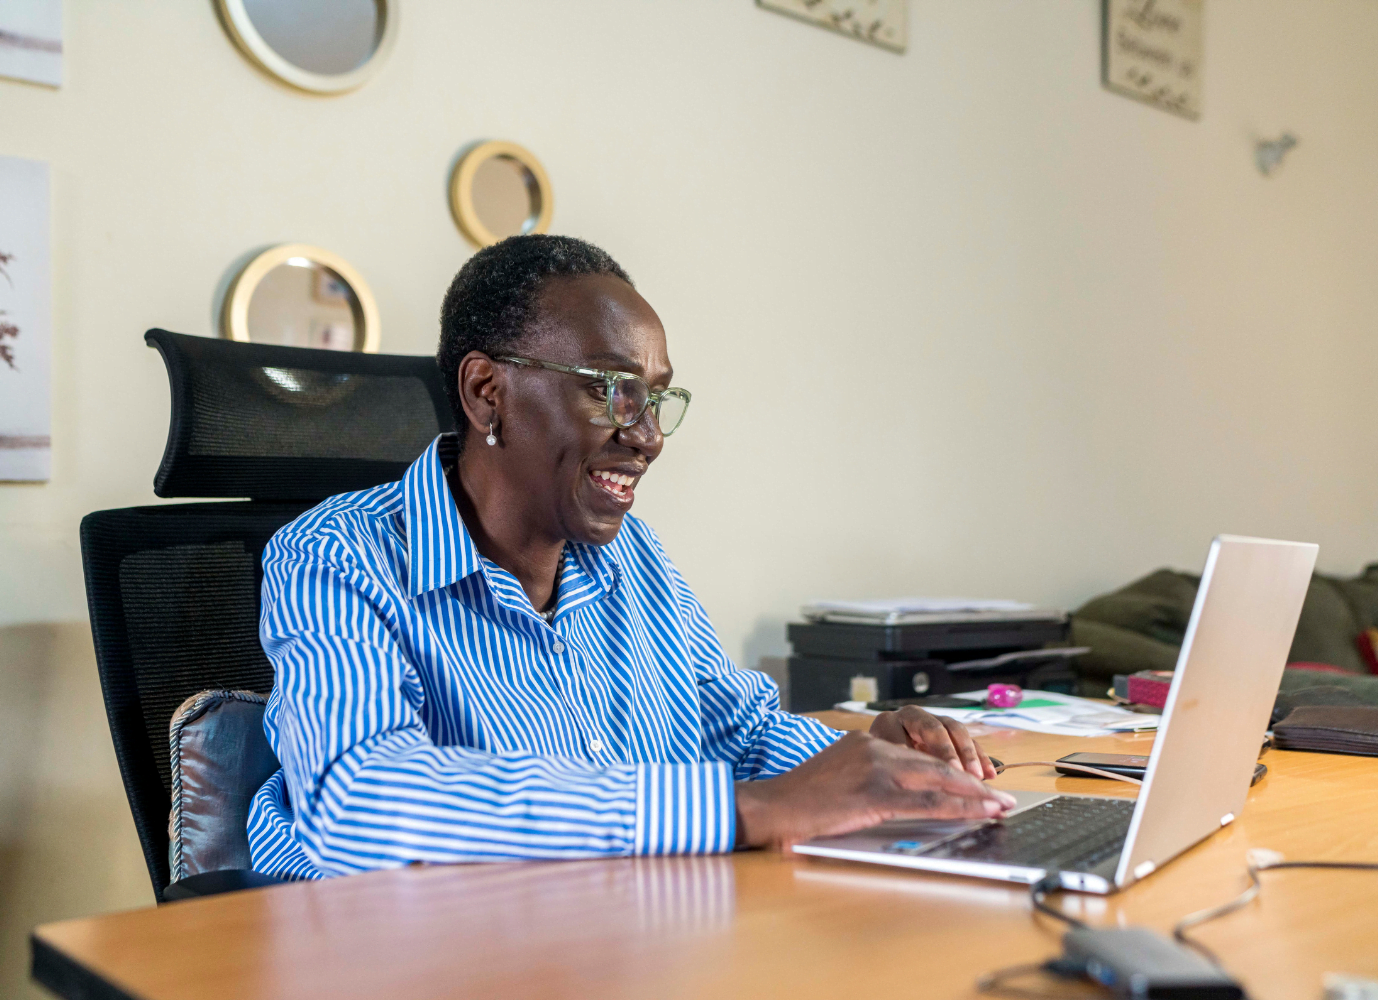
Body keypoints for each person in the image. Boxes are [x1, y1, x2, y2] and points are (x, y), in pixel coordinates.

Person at [247, 235, 1014, 878]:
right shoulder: (335, 557)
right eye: (611, 389)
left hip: (617, 928)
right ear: (487, 392)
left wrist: (871, 763)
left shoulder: (629, 556)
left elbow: (731, 729)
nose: (645, 433)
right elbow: (361, 800)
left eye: (654, 397)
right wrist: (745, 809)